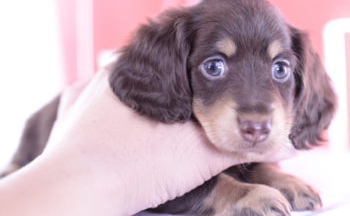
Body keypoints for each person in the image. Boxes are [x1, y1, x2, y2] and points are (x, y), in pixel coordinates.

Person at [0, 67, 294, 216]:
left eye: (280, 69)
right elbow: (170, 179)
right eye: (214, 66)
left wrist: (267, 173)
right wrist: (231, 195)